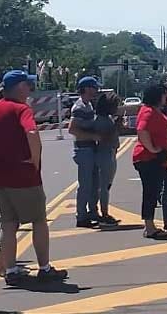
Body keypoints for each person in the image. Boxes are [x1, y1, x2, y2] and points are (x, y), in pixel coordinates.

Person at [0, 70, 67, 285]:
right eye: (28, 86)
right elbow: (31, 133)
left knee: (9, 223)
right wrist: (34, 159)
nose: (30, 90)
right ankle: (44, 267)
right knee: (39, 221)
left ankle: (10, 269)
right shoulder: (22, 109)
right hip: (24, 175)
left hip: (0, 175)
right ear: (20, 87)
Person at [68, 76, 110, 229]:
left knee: (94, 183)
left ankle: (92, 212)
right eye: (94, 87)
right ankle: (81, 216)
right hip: (83, 149)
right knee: (85, 184)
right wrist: (94, 136)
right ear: (86, 88)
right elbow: (72, 129)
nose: (96, 90)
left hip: (91, 149)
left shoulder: (88, 105)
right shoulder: (79, 107)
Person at [134, 83, 167, 239]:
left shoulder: (153, 111)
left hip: (153, 158)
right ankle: (149, 227)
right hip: (148, 158)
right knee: (151, 192)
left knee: (153, 191)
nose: (166, 97)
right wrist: (153, 148)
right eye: (164, 94)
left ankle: (150, 226)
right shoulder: (148, 112)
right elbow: (142, 130)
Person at [92, 91, 124, 226]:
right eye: (115, 105)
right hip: (105, 154)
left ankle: (102, 211)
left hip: (110, 153)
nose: (117, 108)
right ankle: (104, 213)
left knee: (106, 185)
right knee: (104, 186)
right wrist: (115, 127)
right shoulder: (101, 120)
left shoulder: (107, 119)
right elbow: (104, 138)